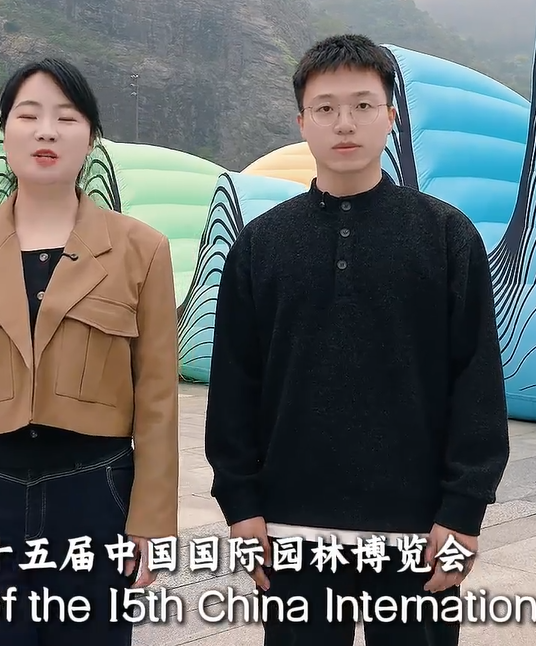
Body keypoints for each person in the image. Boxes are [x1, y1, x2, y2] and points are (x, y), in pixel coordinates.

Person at [204, 34, 511, 645]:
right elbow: (235, 385)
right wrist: (241, 506)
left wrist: (463, 510)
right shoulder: (260, 245)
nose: (344, 123)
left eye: (363, 105)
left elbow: (475, 379)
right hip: (292, 533)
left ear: (390, 116)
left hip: (419, 533)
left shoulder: (445, 236)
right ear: (302, 122)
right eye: (325, 108)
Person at [0, 58, 180, 646]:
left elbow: (157, 400)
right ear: (5, 132)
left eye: (66, 118)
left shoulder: (141, 250)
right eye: (28, 116)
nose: (46, 131)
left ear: (91, 137)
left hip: (96, 498)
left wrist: (151, 520)